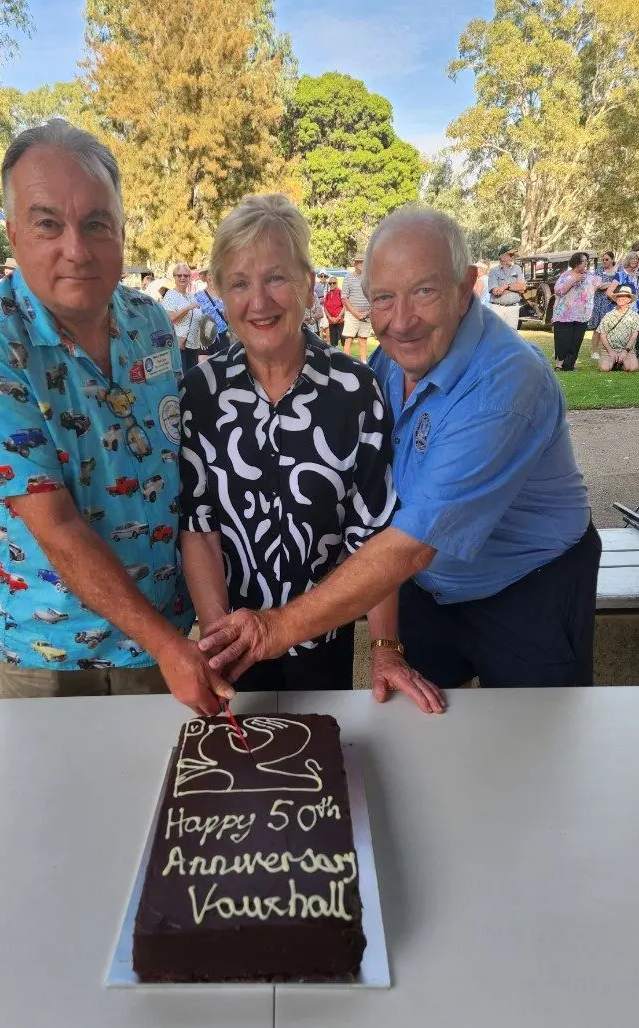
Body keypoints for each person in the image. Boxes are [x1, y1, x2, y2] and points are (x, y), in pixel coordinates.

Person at [197, 207, 599, 698]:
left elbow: (409, 542)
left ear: (466, 285)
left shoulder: (505, 385)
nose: (402, 320)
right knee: (420, 729)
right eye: (384, 297)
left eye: (424, 291)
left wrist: (275, 630)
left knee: (533, 742)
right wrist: (387, 643)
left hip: (526, 587)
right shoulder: (389, 362)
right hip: (427, 590)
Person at [0, 119, 232, 713]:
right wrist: (172, 646)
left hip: (163, 640)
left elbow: (187, 480)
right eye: (49, 224)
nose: (76, 249)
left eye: (96, 224)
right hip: (52, 657)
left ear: (121, 232)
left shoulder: (151, 322)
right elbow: (55, 525)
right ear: (15, 233)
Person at [179, 194, 439, 706]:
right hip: (231, 633)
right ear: (221, 294)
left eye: (276, 277)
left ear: (307, 282)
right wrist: (219, 642)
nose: (259, 301)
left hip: (324, 632)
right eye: (239, 283)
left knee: (318, 761)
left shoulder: (354, 390)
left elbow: (377, 533)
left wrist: (385, 648)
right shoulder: (200, 392)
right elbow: (199, 526)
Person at [552, 252, 601, 371]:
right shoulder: (566, 275)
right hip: (564, 314)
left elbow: (597, 284)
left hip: (581, 314)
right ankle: (560, 364)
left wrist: (593, 290)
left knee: (576, 340)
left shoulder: (589, 275)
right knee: (563, 339)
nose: (586, 263)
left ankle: (570, 364)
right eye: (583, 261)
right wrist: (574, 279)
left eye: (586, 261)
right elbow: (558, 290)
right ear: (576, 262)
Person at [162, 263, 202, 373]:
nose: (182, 278)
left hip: (193, 345)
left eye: (186, 275)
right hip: (179, 345)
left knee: (192, 378)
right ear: (174, 277)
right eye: (179, 275)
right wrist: (188, 307)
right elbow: (169, 318)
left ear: (190, 278)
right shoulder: (170, 295)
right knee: (181, 378)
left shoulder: (191, 296)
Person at [597, 285, 639, 372]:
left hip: (627, 350)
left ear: (629, 300)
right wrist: (611, 351)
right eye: (619, 296)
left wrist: (625, 351)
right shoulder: (608, 315)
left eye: (623, 296)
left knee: (632, 368)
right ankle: (613, 361)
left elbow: (634, 336)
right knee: (604, 368)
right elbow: (602, 335)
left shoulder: (635, 316)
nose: (620, 298)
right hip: (608, 350)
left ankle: (620, 363)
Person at [341, 253, 372, 362]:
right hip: (352, 314)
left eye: (364, 262)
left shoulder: (370, 278)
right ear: (355, 263)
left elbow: (374, 296)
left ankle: (364, 364)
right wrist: (355, 313)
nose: (362, 264)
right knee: (348, 339)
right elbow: (344, 297)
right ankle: (346, 364)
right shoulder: (348, 277)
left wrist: (368, 313)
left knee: (363, 340)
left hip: (366, 315)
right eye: (359, 261)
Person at [487, 245, 526, 328]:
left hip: (513, 309)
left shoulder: (517, 268)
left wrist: (505, 287)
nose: (513, 257)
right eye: (510, 255)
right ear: (502, 257)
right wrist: (515, 287)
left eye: (513, 255)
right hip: (498, 308)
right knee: (497, 336)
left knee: (512, 336)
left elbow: (522, 288)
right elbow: (496, 292)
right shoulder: (493, 271)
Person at [587, 251, 616, 359]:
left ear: (612, 259)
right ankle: (594, 351)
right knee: (598, 327)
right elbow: (598, 286)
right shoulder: (599, 270)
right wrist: (612, 284)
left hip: (612, 301)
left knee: (611, 327)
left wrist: (608, 285)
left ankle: (608, 350)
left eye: (607, 259)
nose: (604, 261)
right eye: (603, 260)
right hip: (599, 302)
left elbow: (620, 283)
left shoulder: (618, 270)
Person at [194, 268, 229, 356]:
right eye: (210, 274)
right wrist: (199, 337)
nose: (212, 277)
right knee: (210, 366)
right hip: (207, 336)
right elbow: (196, 318)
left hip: (225, 335)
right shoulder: (198, 296)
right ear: (205, 277)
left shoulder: (226, 294)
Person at [323, 275, 345, 347]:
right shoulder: (328, 294)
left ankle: (346, 356)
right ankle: (335, 357)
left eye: (334, 283)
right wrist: (330, 318)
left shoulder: (340, 293)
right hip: (331, 321)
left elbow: (345, 306)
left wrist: (338, 317)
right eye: (330, 283)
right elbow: (325, 307)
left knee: (344, 342)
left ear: (337, 283)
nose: (332, 284)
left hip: (340, 321)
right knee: (333, 343)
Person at [314, 269, 330, 341]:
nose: (323, 277)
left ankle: (328, 344)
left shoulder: (330, 284)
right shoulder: (316, 285)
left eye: (324, 276)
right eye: (321, 276)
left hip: (329, 308)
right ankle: (322, 344)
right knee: (321, 327)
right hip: (320, 307)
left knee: (327, 327)